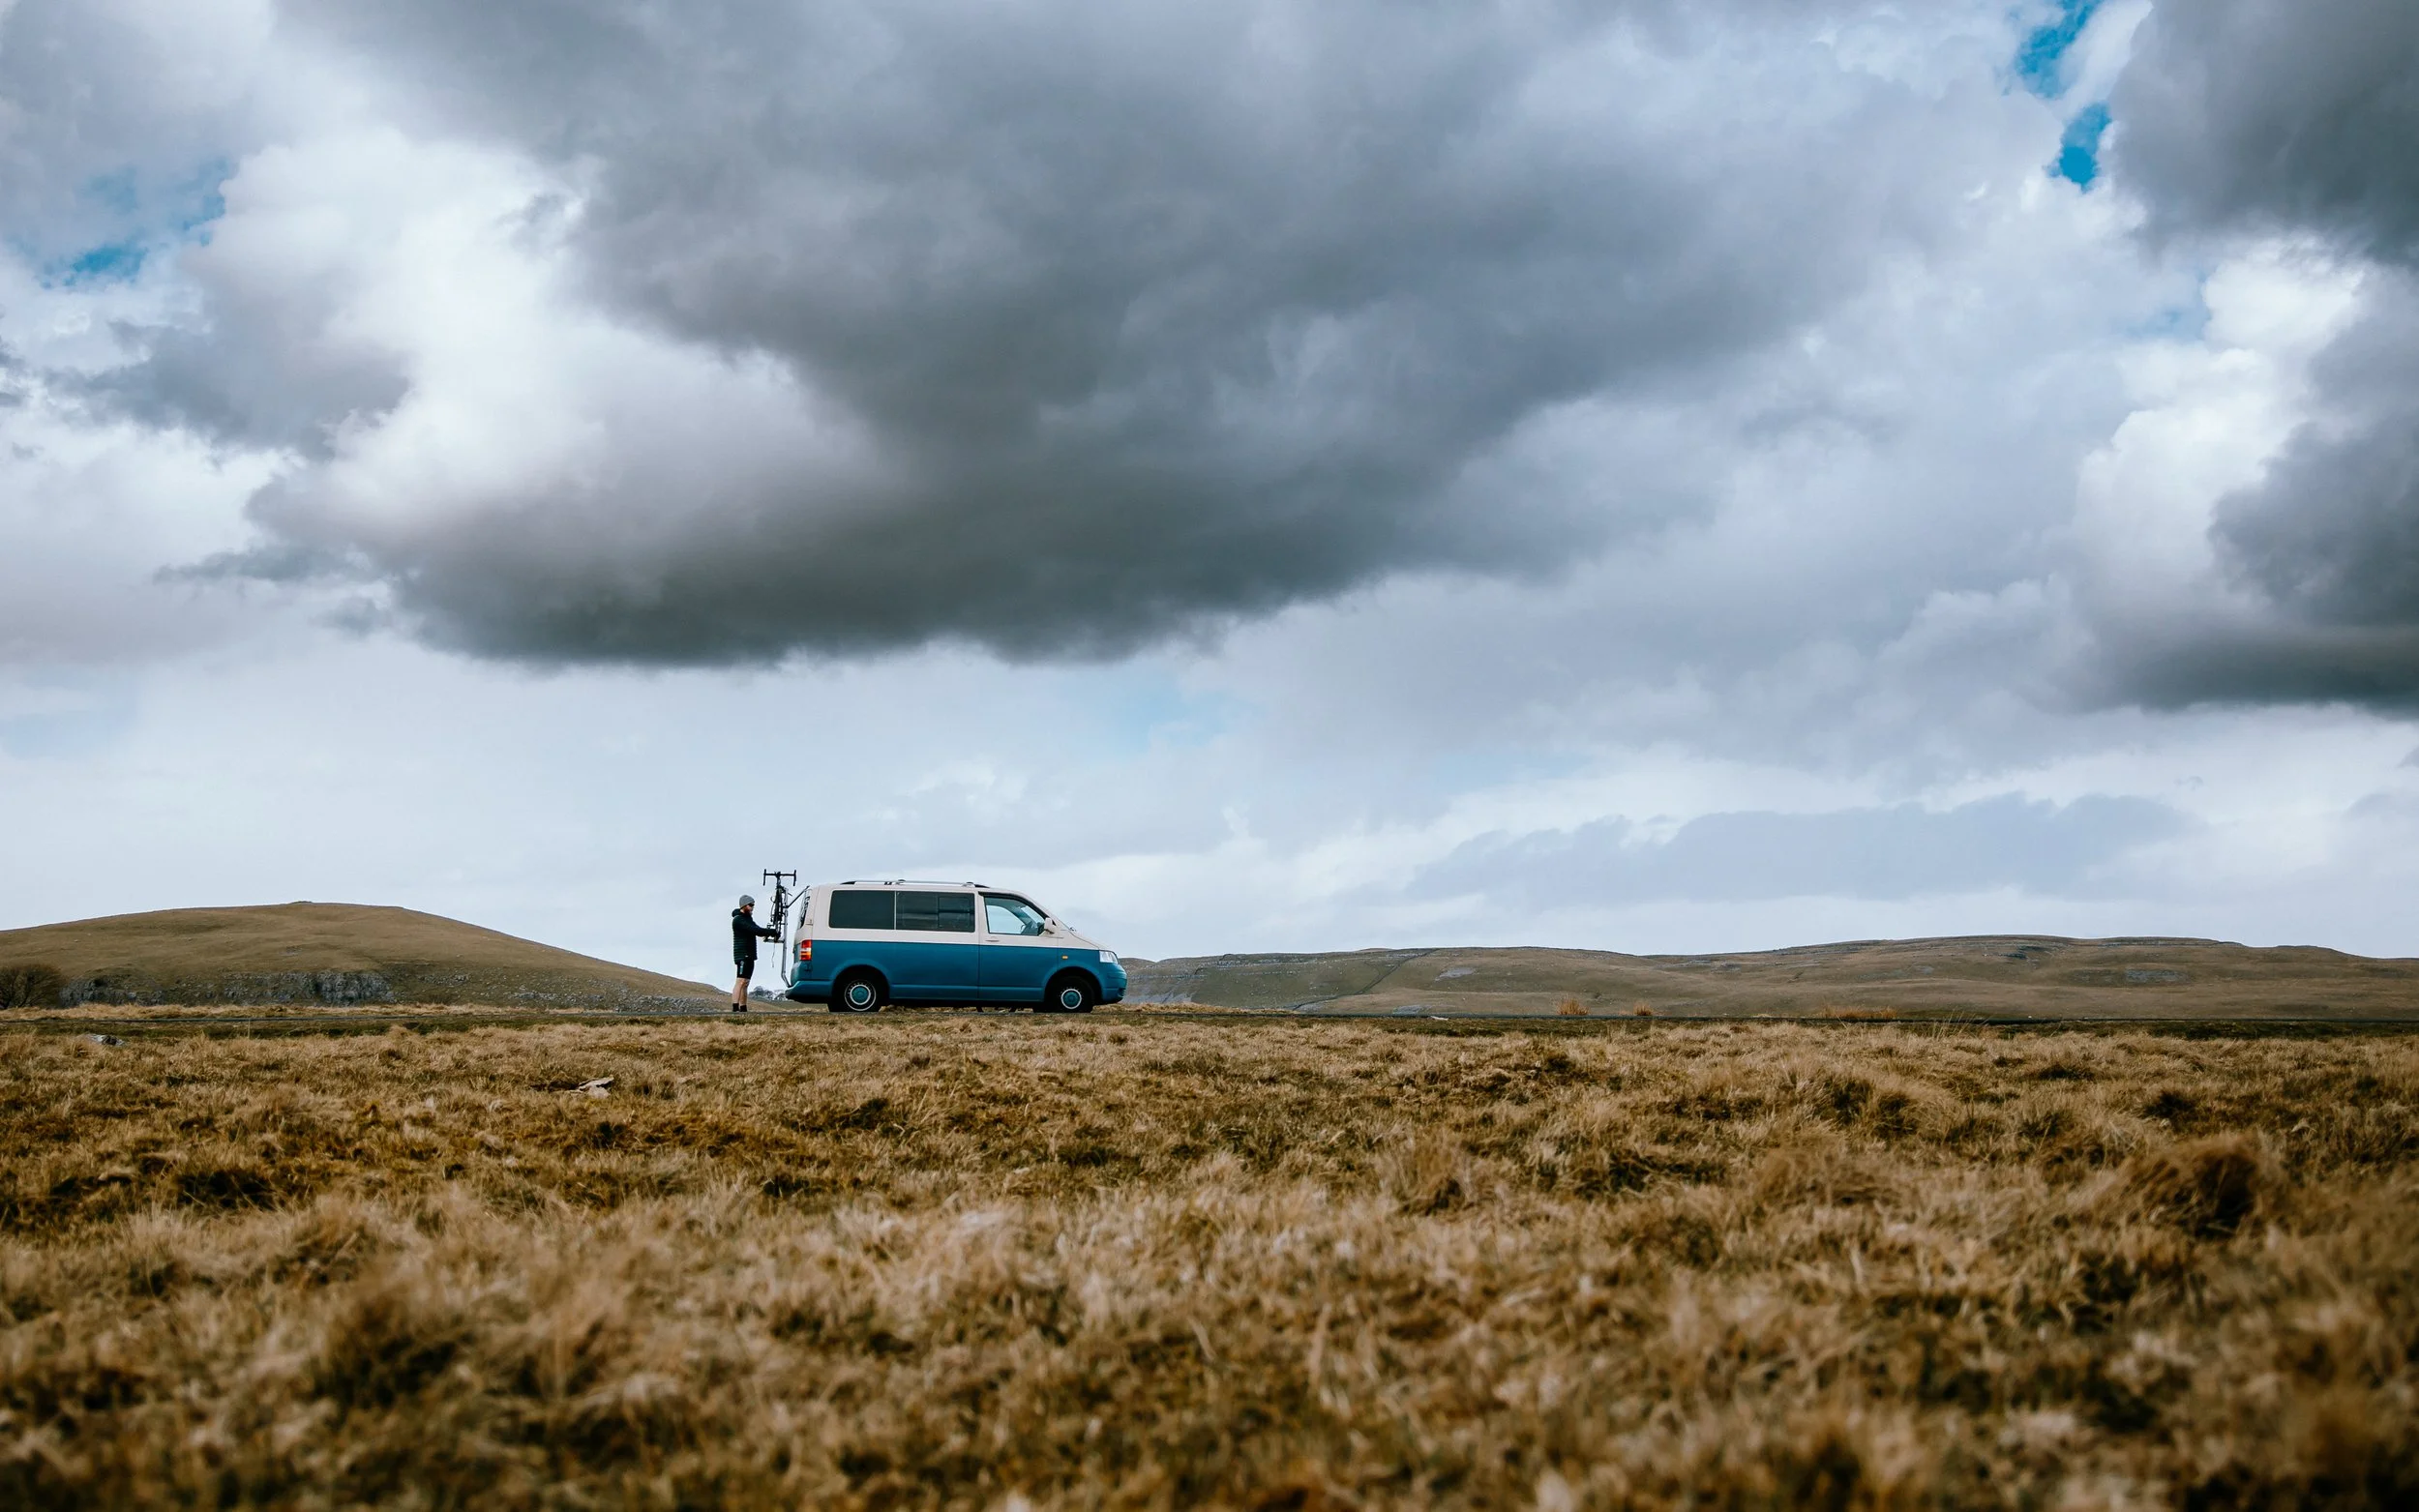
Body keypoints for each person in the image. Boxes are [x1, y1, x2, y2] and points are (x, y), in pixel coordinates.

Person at [731, 895, 781, 1012]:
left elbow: (757, 929)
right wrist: (772, 932)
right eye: (750, 905)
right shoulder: (738, 920)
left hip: (750, 954)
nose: (752, 907)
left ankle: (743, 1008)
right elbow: (756, 930)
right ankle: (735, 1008)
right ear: (744, 905)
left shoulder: (748, 919)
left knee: (746, 983)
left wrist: (769, 932)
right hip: (742, 954)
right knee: (740, 981)